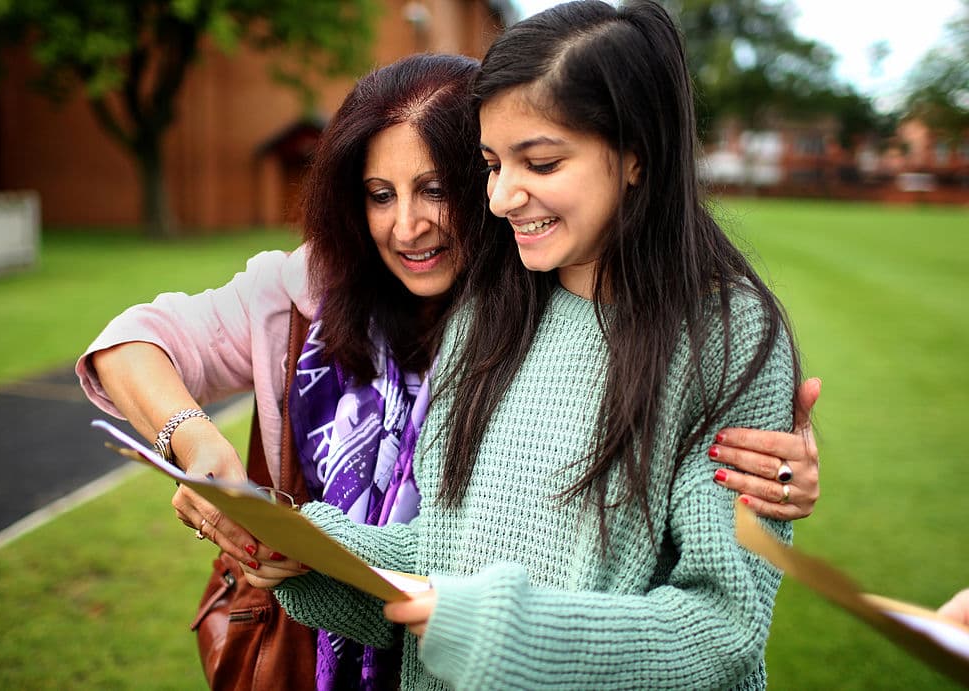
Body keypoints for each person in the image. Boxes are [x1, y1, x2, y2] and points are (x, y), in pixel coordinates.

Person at [79, 46, 817, 690]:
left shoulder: (527, 292)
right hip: (337, 656)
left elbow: (715, 612)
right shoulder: (319, 289)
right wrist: (247, 493)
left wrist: (778, 468)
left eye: (437, 188)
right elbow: (133, 341)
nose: (407, 226)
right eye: (380, 195)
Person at [263, 2, 807, 689]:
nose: (500, 198)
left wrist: (508, 634)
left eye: (541, 162)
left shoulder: (728, 337)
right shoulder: (489, 311)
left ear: (637, 154)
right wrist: (311, 550)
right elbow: (443, 559)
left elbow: (722, 629)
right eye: (492, 165)